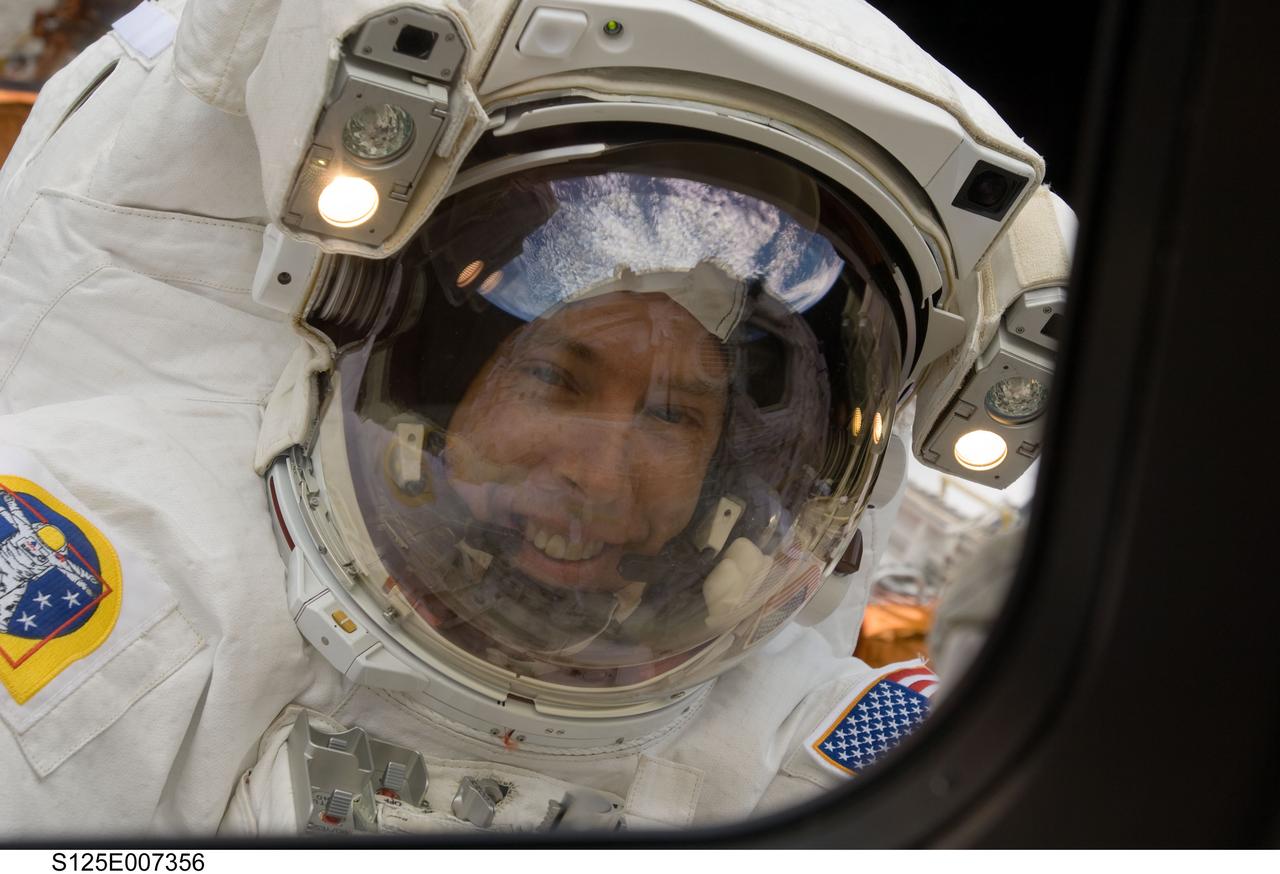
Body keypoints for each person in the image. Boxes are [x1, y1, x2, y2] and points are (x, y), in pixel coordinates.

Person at [0, 0, 1073, 835]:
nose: (601, 475)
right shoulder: (131, 587)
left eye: (674, 416)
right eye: (559, 378)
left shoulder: (780, 733)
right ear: (427, 383)